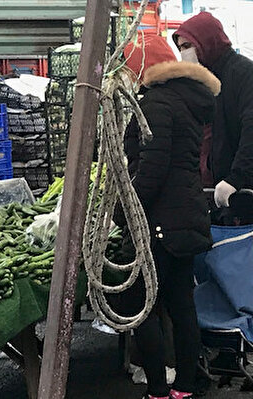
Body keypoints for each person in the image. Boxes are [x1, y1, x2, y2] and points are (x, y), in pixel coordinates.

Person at [118, 33, 220, 399]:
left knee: (142, 307)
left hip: (161, 222)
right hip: (186, 216)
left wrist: (125, 211)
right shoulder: (187, 101)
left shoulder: (157, 104)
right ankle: (186, 388)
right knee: (181, 303)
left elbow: (152, 169)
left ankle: (159, 391)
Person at [173, 12, 253, 212]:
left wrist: (236, 178)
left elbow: (251, 129)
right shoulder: (202, 81)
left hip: (239, 192)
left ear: (206, 41)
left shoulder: (243, 73)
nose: (184, 53)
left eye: (187, 46)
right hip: (211, 191)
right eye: (181, 48)